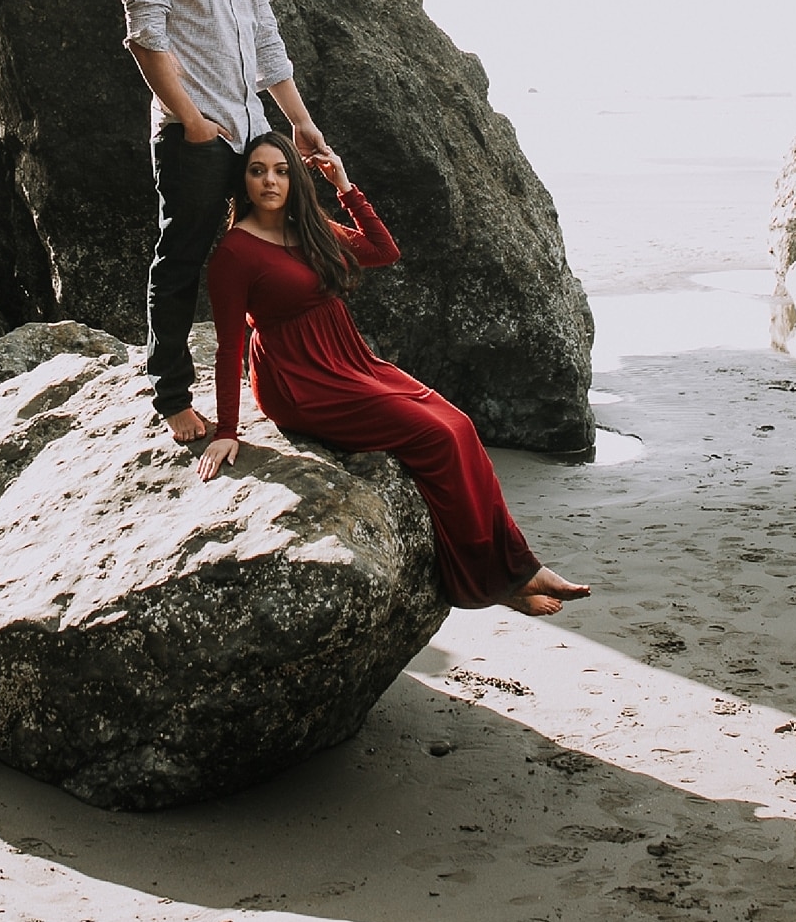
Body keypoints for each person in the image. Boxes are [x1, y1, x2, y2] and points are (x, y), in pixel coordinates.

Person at [198, 131, 590, 617]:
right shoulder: (235, 254)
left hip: (349, 360)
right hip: (299, 381)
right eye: (258, 171)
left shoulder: (312, 227)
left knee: (460, 426)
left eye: (280, 170)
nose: (270, 181)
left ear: (295, 177)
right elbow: (229, 344)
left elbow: (384, 251)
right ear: (245, 180)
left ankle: (514, 566)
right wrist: (228, 430)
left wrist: (343, 183)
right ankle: (497, 582)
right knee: (436, 438)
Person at [120, 0, 329, 443]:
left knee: (281, 251)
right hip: (196, 136)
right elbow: (145, 40)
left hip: (253, 129)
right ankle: (172, 396)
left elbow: (266, 39)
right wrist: (189, 119)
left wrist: (299, 119)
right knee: (181, 260)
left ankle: (290, 380)